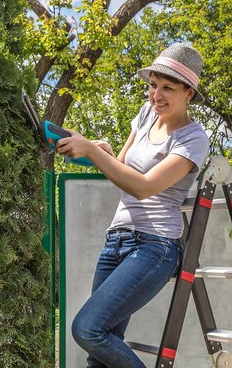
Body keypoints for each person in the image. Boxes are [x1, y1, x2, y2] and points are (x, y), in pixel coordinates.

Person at [56, 43, 210, 367]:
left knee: (88, 329)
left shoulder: (193, 138)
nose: (157, 95)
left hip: (155, 247)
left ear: (189, 94)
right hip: (116, 240)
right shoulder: (145, 115)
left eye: (168, 87)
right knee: (98, 356)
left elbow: (142, 187)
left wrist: (92, 152)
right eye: (153, 84)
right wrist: (103, 150)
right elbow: (123, 168)